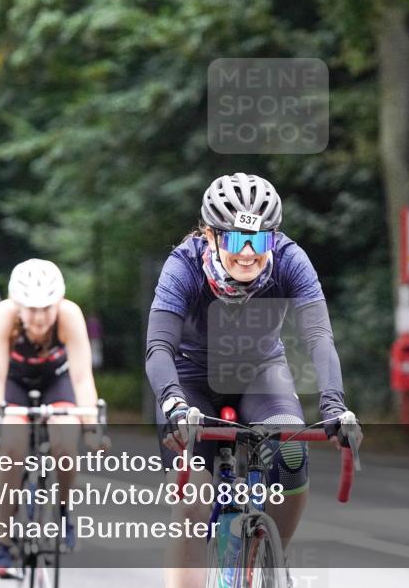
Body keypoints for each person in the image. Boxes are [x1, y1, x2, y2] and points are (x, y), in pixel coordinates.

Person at [145, 172, 362, 588]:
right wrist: (173, 403)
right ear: (210, 236)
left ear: (273, 238)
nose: (247, 253)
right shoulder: (183, 265)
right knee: (193, 503)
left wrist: (334, 404)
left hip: (261, 372)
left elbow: (318, 335)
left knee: (291, 452)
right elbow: (158, 347)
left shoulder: (291, 259)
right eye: (235, 239)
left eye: (259, 240)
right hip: (190, 381)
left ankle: (273, 559)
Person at [0, 258, 100, 579]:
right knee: (11, 450)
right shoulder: (4, 316)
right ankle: (3, 543)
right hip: (14, 382)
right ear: (18, 305)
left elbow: (81, 378)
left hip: (56, 381)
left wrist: (90, 427)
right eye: (31, 309)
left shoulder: (69, 315)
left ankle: (62, 510)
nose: (39, 317)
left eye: (47, 308)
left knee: (66, 443)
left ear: (58, 302)